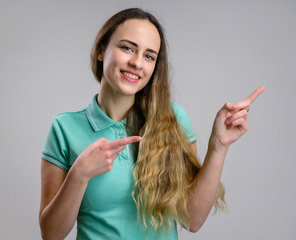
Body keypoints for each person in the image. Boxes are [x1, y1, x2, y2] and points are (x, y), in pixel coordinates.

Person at [39, 8, 265, 240]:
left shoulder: (173, 118)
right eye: (127, 48)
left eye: (149, 56)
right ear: (100, 50)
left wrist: (218, 145)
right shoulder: (64, 128)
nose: (137, 63)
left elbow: (192, 220)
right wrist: (79, 174)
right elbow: (51, 234)